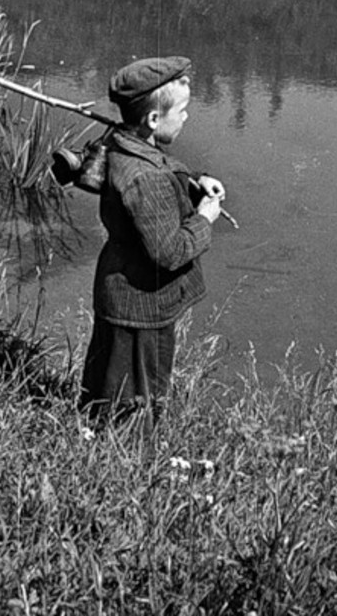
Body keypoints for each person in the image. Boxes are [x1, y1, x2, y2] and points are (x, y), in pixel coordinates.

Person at [80, 56, 225, 428]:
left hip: (122, 293)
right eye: (182, 110)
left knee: (109, 388)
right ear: (154, 120)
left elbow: (161, 165)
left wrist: (195, 181)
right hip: (140, 306)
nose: (187, 117)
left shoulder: (122, 142)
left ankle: (97, 443)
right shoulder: (145, 178)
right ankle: (127, 466)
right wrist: (204, 219)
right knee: (136, 402)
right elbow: (170, 251)